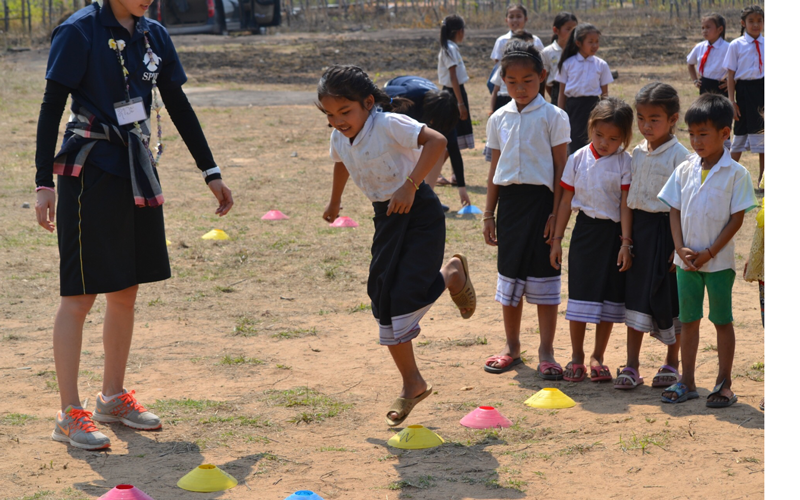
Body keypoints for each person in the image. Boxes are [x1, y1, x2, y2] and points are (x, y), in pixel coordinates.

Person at [34, 0, 234, 450]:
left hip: (134, 167)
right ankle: (69, 414)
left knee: (125, 290)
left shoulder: (153, 34)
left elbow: (177, 103)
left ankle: (112, 398)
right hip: (89, 171)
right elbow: (51, 106)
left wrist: (211, 171)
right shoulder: (79, 31)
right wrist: (42, 182)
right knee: (79, 294)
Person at [317, 65, 477, 426]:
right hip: (386, 216)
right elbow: (342, 162)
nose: (338, 120)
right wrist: (334, 201)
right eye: (329, 114)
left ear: (368, 103)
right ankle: (414, 383)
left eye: (345, 112)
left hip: (419, 211)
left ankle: (451, 274)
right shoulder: (340, 137)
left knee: (406, 293)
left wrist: (410, 183)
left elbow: (437, 141)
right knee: (382, 296)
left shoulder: (388, 123)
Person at [657, 94, 758, 407]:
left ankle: (724, 384)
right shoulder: (685, 168)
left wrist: (710, 252)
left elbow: (737, 219)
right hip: (686, 262)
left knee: (722, 320)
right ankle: (686, 381)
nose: (696, 141)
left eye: (704, 134)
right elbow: (673, 209)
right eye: (692, 134)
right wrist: (679, 248)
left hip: (718, 264)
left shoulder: (736, 173)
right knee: (688, 321)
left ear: (725, 133)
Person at [481, 41, 571, 378]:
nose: (520, 88)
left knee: (545, 279)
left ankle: (546, 351)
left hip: (543, 205)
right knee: (510, 279)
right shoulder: (498, 118)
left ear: (543, 77)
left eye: (528, 80)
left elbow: (562, 170)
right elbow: (494, 171)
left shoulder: (554, 116)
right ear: (503, 81)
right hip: (510, 208)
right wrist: (489, 214)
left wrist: (556, 214)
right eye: (513, 81)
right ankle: (512, 348)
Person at [550, 97, 634, 383]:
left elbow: (625, 204)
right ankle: (576, 357)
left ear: (624, 137)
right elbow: (564, 203)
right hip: (585, 234)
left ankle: (598, 356)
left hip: (613, 237)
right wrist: (557, 239)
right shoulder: (577, 159)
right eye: (599, 135)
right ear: (590, 128)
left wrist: (625, 242)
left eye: (613, 138)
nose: (604, 142)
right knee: (580, 298)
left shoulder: (625, 162)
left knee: (609, 299)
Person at [613, 83, 688, 391]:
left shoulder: (682, 156)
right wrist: (626, 243)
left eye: (654, 119)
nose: (646, 126)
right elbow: (628, 204)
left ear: (673, 119)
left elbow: (684, 206)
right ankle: (632, 364)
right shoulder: (636, 154)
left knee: (670, 298)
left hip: (668, 235)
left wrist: (678, 248)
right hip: (640, 235)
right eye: (641, 118)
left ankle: (673, 360)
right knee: (636, 297)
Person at [382, 75, 471, 209]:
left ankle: (427, 197)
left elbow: (454, 150)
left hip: (423, 109)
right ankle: (396, 195)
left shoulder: (446, 115)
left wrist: (462, 188)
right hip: (396, 98)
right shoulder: (409, 96)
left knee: (439, 144)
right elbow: (382, 92)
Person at [555, 23, 614, 154]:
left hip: (593, 107)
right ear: (578, 43)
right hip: (574, 108)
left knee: (593, 140)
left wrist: (606, 112)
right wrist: (560, 113)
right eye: (590, 42)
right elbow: (562, 92)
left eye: (597, 42)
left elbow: (605, 94)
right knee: (574, 141)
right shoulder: (568, 64)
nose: (595, 45)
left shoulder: (601, 65)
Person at [724, 5, 764, 187]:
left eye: (759, 21)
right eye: (751, 21)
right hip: (744, 92)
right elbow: (730, 75)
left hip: (764, 92)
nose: (756, 25)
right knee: (739, 135)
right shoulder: (736, 45)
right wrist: (732, 101)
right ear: (743, 23)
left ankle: (763, 181)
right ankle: (726, 178)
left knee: (765, 139)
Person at [486, 4, 545, 97]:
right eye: (511, 17)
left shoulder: (535, 40)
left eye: (518, 16)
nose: (515, 20)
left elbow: (542, 62)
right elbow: (498, 64)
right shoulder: (502, 40)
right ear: (506, 20)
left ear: (526, 19)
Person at [439, 15, 474, 164]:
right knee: (452, 136)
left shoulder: (451, 47)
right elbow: (453, 77)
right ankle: (435, 170)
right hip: (453, 94)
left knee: (456, 137)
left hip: (455, 92)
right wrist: (460, 104)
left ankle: (452, 173)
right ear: (460, 31)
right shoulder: (449, 49)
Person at [687, 13, 729, 96]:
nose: (704, 31)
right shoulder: (699, 47)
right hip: (704, 85)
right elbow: (690, 63)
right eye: (702, 28)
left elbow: (737, 67)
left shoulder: (728, 48)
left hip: (720, 87)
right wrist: (695, 80)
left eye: (708, 27)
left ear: (720, 29)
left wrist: (732, 81)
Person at [541, 12, 578, 106]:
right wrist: (555, 95)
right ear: (556, 30)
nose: (572, 33)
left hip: (576, 91)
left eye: (575, 30)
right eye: (568, 29)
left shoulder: (579, 51)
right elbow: (545, 80)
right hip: (556, 92)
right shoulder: (547, 52)